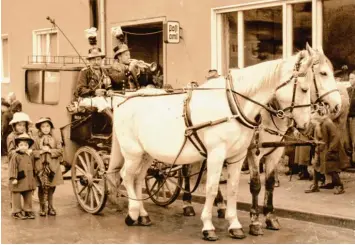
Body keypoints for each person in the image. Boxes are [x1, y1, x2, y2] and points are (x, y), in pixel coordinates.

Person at [74, 28, 113, 119]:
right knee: (100, 101)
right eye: (93, 59)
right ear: (89, 61)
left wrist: (110, 90)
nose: (96, 62)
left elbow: (108, 84)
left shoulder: (104, 71)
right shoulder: (84, 72)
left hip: (101, 98)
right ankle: (114, 122)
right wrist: (94, 92)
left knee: (115, 100)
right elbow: (80, 90)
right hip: (86, 99)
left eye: (98, 59)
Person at [305, 113, 345, 194]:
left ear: (317, 119)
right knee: (316, 166)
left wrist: (331, 149)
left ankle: (339, 186)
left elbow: (336, 137)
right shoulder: (319, 124)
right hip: (320, 148)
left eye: (313, 121)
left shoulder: (327, 123)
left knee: (331, 168)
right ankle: (315, 185)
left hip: (329, 149)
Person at [33, 117, 64, 216]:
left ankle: (50, 206)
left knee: (51, 187)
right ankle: (42, 207)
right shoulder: (36, 139)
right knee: (41, 187)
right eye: (43, 126)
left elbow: (60, 151)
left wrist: (50, 150)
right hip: (40, 166)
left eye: (47, 126)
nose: (45, 128)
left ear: (51, 127)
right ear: (40, 128)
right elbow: (32, 152)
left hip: (53, 166)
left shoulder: (56, 138)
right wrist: (41, 151)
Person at [8, 133, 37, 219]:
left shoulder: (29, 155)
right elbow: (13, 167)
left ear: (28, 146)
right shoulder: (15, 156)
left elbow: (32, 166)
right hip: (18, 179)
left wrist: (33, 177)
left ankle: (28, 210)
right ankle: (16, 211)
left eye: (25, 145)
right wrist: (13, 178)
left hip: (27, 179)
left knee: (28, 194)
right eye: (21, 145)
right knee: (16, 195)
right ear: (17, 146)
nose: (23, 147)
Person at [347, 70, 355, 165]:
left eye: (352, 78)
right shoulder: (348, 90)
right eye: (349, 78)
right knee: (347, 139)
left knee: (354, 139)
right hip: (347, 117)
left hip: (354, 117)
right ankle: (349, 160)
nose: (350, 80)